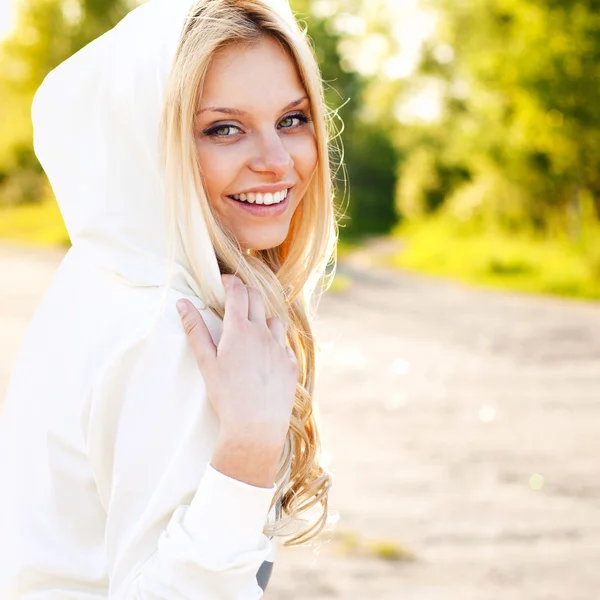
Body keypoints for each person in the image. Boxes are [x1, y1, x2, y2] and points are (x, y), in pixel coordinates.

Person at [0, 0, 341, 597]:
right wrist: (248, 452)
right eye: (223, 128)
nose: (277, 161)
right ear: (152, 142)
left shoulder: (102, 272)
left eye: (292, 119)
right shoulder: (174, 330)